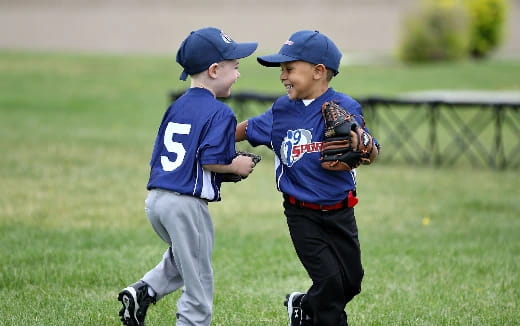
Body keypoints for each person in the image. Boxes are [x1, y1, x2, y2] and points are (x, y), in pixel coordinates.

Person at [235, 30, 380, 326]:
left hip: (341, 210)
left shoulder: (346, 108)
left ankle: (303, 305)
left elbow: (370, 151)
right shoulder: (281, 111)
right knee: (330, 283)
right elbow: (246, 129)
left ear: (318, 71)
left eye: (289, 69)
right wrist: (208, 138)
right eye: (281, 70)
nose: (282, 76)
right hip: (301, 213)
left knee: (351, 282)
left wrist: (362, 144)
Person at [117, 27, 258, 326]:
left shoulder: (177, 106)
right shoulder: (220, 112)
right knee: (199, 280)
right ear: (215, 69)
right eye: (235, 68)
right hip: (185, 204)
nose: (238, 75)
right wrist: (237, 166)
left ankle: (144, 291)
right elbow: (211, 160)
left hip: (156, 200)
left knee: (187, 257)